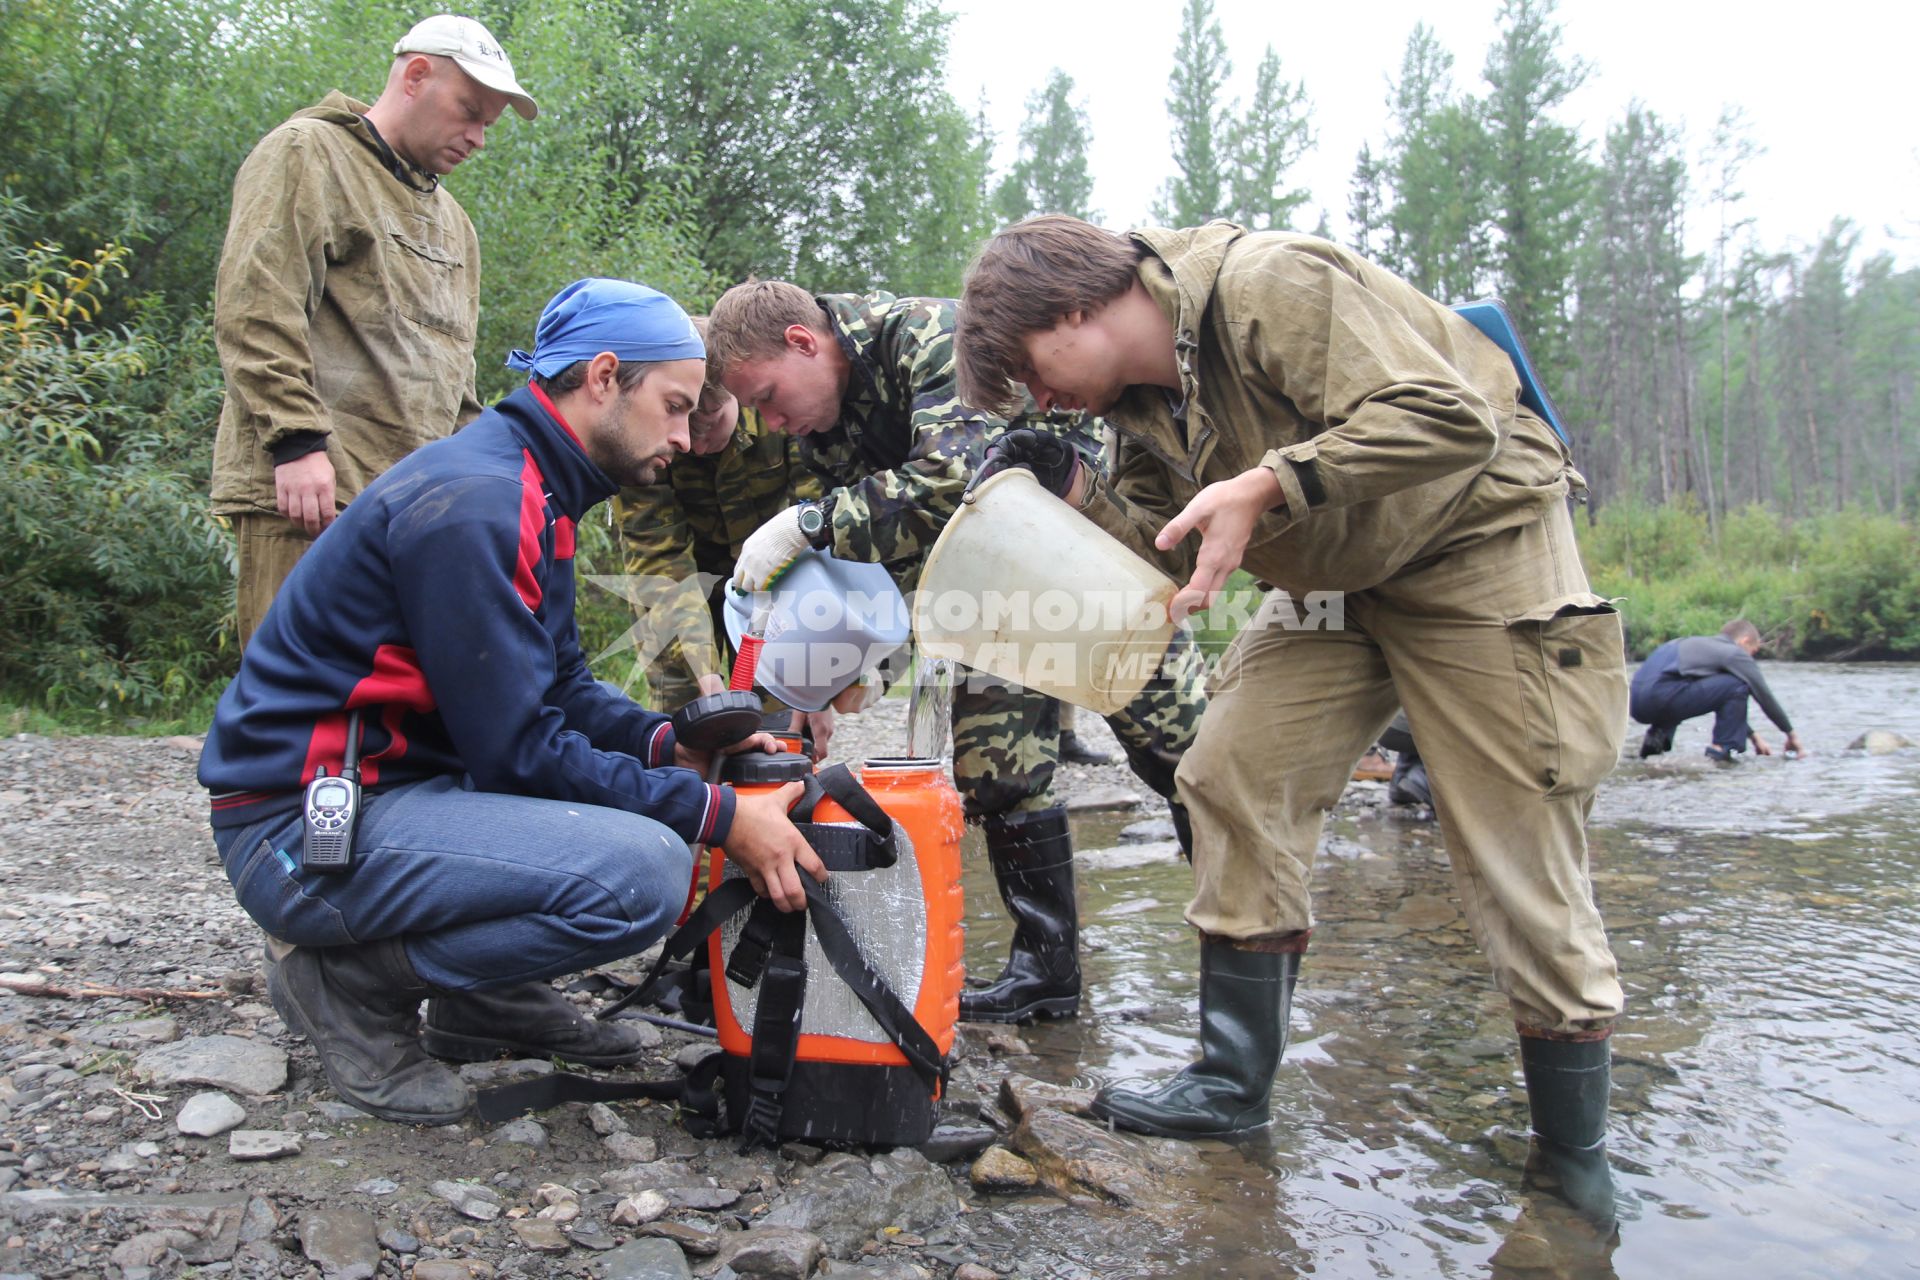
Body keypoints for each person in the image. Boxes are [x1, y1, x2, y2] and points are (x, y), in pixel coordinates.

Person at [955, 215, 1628, 1226]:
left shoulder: (1273, 284)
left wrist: (1271, 481)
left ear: (1077, 306)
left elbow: (1451, 416)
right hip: (1330, 579)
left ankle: (1572, 1170)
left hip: (1477, 543)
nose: (1038, 397)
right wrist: (1076, 490)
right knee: (1227, 769)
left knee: (1513, 846)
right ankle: (1232, 1086)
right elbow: (1168, 552)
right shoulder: (1135, 409)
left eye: (1032, 368)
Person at [198, 280, 827, 1125]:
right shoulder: (482, 503)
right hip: (296, 827)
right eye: (675, 407)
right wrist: (717, 815)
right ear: (604, 377)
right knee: (645, 872)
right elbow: (518, 751)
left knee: (637, 832)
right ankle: (345, 982)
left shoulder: (533, 484)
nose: (686, 436)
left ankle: (480, 999)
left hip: (401, 795)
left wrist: (664, 743)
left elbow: (559, 684)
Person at [705, 280, 1207, 1024]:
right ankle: (1047, 973)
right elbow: (875, 558)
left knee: (1184, 758)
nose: (774, 422)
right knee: (997, 772)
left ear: (804, 343)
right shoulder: (823, 422)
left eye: (772, 397)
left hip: (1083, 561)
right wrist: (860, 663)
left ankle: (1251, 940)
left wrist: (810, 521)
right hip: (981, 584)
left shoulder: (925, 338)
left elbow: (952, 480)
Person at [210, 14, 536, 646]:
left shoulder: (455, 224)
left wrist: (481, 492)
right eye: (469, 112)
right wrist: (296, 444)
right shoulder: (309, 151)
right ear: (416, 76)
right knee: (296, 708)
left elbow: (456, 382)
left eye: (488, 125)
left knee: (394, 719)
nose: (478, 139)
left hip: (415, 508)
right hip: (311, 496)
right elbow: (256, 306)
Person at [612, 320, 828, 725]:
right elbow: (659, 561)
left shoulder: (781, 415)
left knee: (784, 719)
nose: (694, 441)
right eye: (685, 422)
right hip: (684, 579)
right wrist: (704, 672)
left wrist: (816, 680)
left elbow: (818, 538)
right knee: (689, 715)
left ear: (738, 394)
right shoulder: (642, 440)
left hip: (777, 578)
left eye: (711, 419)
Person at [1631, 619, 1807, 762]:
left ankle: (1653, 748)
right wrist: (1790, 734)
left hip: (1635, 703)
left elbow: (1717, 698)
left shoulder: (1691, 644)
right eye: (1753, 651)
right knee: (1738, 684)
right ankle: (1723, 750)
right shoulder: (1733, 653)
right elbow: (1763, 694)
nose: (1751, 657)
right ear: (1744, 641)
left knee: (1680, 684)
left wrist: (1753, 736)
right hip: (1663, 696)